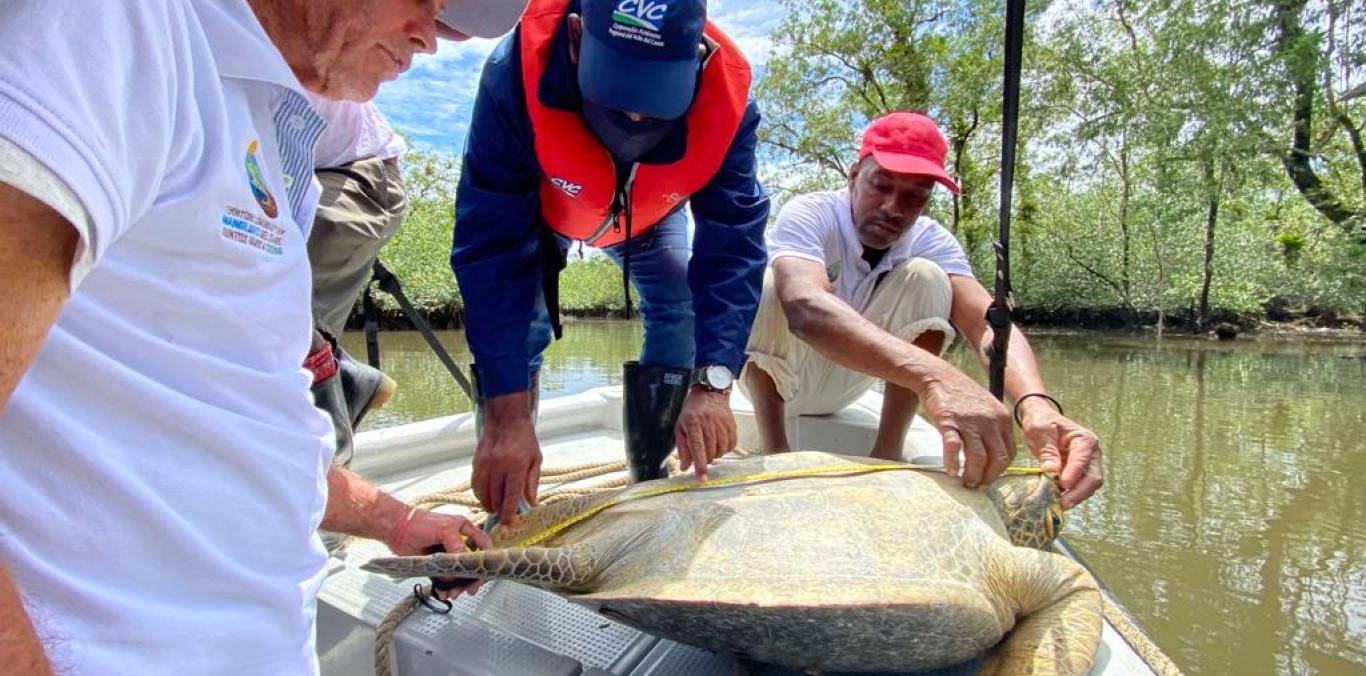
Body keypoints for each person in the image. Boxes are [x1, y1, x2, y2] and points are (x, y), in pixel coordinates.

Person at [0, 1, 526, 674]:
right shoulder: (116, 27)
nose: (429, 38)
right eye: (424, 1)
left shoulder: (269, 118)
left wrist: (392, 519)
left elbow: (233, 416)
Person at [451, 0, 769, 524]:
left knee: (678, 296)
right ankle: (513, 501)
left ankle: (650, 474)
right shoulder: (514, 74)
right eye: (620, 97)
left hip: (648, 218)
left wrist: (713, 384)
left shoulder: (730, 102)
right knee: (521, 324)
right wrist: (505, 417)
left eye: (658, 98)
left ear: (698, 54)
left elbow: (733, 247)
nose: (639, 117)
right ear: (576, 38)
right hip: (546, 208)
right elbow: (491, 249)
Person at [740, 112, 1104, 509]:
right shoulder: (812, 212)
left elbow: (988, 324)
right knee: (773, 283)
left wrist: (1036, 405)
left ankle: (887, 455)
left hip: (851, 382)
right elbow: (804, 309)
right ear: (854, 175)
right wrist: (938, 379)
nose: (894, 208)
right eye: (881, 185)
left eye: (915, 195)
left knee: (929, 277)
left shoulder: (931, 239)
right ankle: (774, 452)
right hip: (774, 375)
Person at [304, 96, 408, 469]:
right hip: (286, 173)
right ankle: (343, 377)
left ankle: (326, 477)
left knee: (269, 297)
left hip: (354, 170)